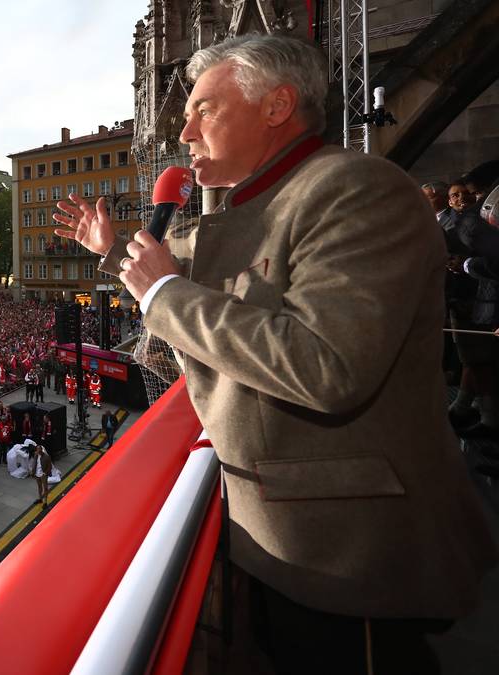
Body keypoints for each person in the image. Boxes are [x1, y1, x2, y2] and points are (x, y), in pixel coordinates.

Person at [53, 33, 497, 674]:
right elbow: (164, 267)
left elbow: (327, 365)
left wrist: (166, 294)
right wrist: (113, 244)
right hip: (285, 537)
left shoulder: (355, 190)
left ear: (276, 105)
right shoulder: (246, 209)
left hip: (352, 553)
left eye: (203, 109)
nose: (184, 134)